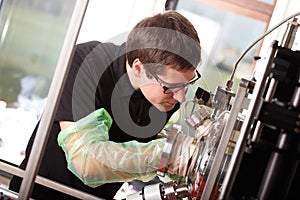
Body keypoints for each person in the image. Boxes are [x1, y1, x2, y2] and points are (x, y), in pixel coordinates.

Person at [9, 10, 202, 200]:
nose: (181, 98)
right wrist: (169, 154)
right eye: (171, 86)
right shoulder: (87, 63)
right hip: (38, 192)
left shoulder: (165, 99)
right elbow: (86, 161)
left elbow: (131, 150)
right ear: (139, 67)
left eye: (187, 84)